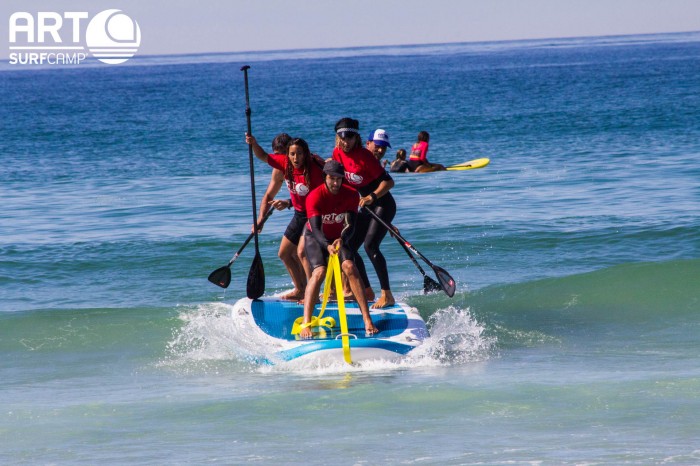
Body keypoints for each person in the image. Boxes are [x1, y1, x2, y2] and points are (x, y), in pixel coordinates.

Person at [299, 160, 378, 339]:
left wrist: (342, 239)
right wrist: (327, 245)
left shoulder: (351, 194)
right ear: (324, 178)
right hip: (316, 237)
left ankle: (367, 319)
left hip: (340, 238)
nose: (336, 183)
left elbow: (350, 224)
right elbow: (316, 228)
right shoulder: (314, 196)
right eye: (332, 179)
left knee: (350, 266)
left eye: (339, 179)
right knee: (319, 272)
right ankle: (306, 321)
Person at [246, 134, 325, 300]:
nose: (295, 158)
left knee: (302, 252)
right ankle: (300, 289)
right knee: (284, 253)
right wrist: (254, 143)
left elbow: (322, 193)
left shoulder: (312, 168)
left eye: (299, 153)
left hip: (314, 214)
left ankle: (313, 294)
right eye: (291, 154)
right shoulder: (282, 165)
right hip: (298, 214)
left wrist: (288, 202)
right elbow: (262, 157)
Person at [332, 117, 396, 309]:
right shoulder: (337, 154)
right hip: (365, 207)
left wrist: (372, 197)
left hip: (382, 204)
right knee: (349, 245)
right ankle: (367, 290)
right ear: (337, 137)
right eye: (343, 137)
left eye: (350, 137)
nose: (346, 141)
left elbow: (389, 182)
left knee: (370, 246)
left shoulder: (365, 156)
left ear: (356, 137)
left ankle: (387, 295)